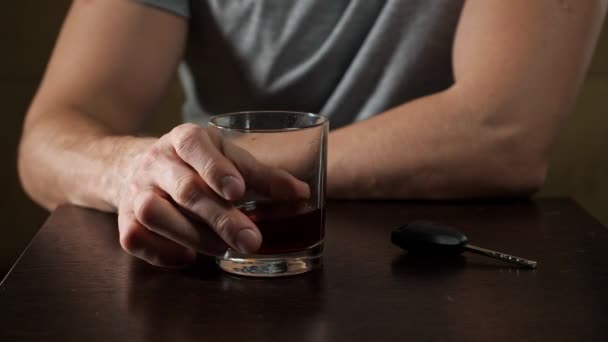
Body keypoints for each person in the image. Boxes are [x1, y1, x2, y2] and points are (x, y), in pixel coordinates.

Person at [18, 0, 607, 267]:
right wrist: (138, 169)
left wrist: (220, 163)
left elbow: (502, 134)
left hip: (436, 265)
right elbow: (48, 139)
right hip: (215, 255)